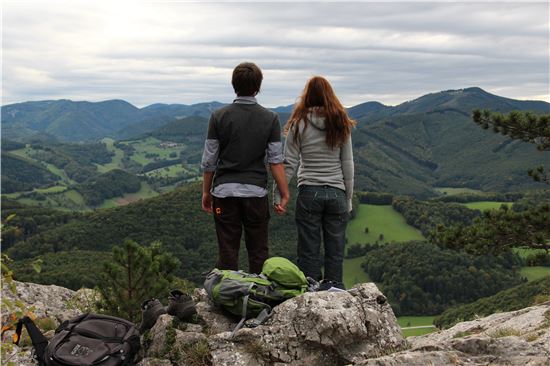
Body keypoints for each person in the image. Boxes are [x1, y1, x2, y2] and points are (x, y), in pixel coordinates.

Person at [201, 62, 290, 274]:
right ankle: (257, 296)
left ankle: (228, 297)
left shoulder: (218, 117)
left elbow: (209, 160)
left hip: (224, 192)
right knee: (258, 250)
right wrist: (284, 193)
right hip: (256, 193)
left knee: (228, 250)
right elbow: (275, 161)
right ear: (258, 87)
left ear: (234, 85)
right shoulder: (271, 119)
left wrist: (206, 191)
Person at [274, 76, 355, 289]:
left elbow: (288, 162)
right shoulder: (341, 122)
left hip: (309, 192)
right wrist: (348, 198)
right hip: (336, 193)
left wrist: (279, 194)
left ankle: (310, 291)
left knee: (308, 248)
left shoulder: (298, 123)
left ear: (307, 96)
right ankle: (335, 288)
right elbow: (348, 165)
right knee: (335, 248)